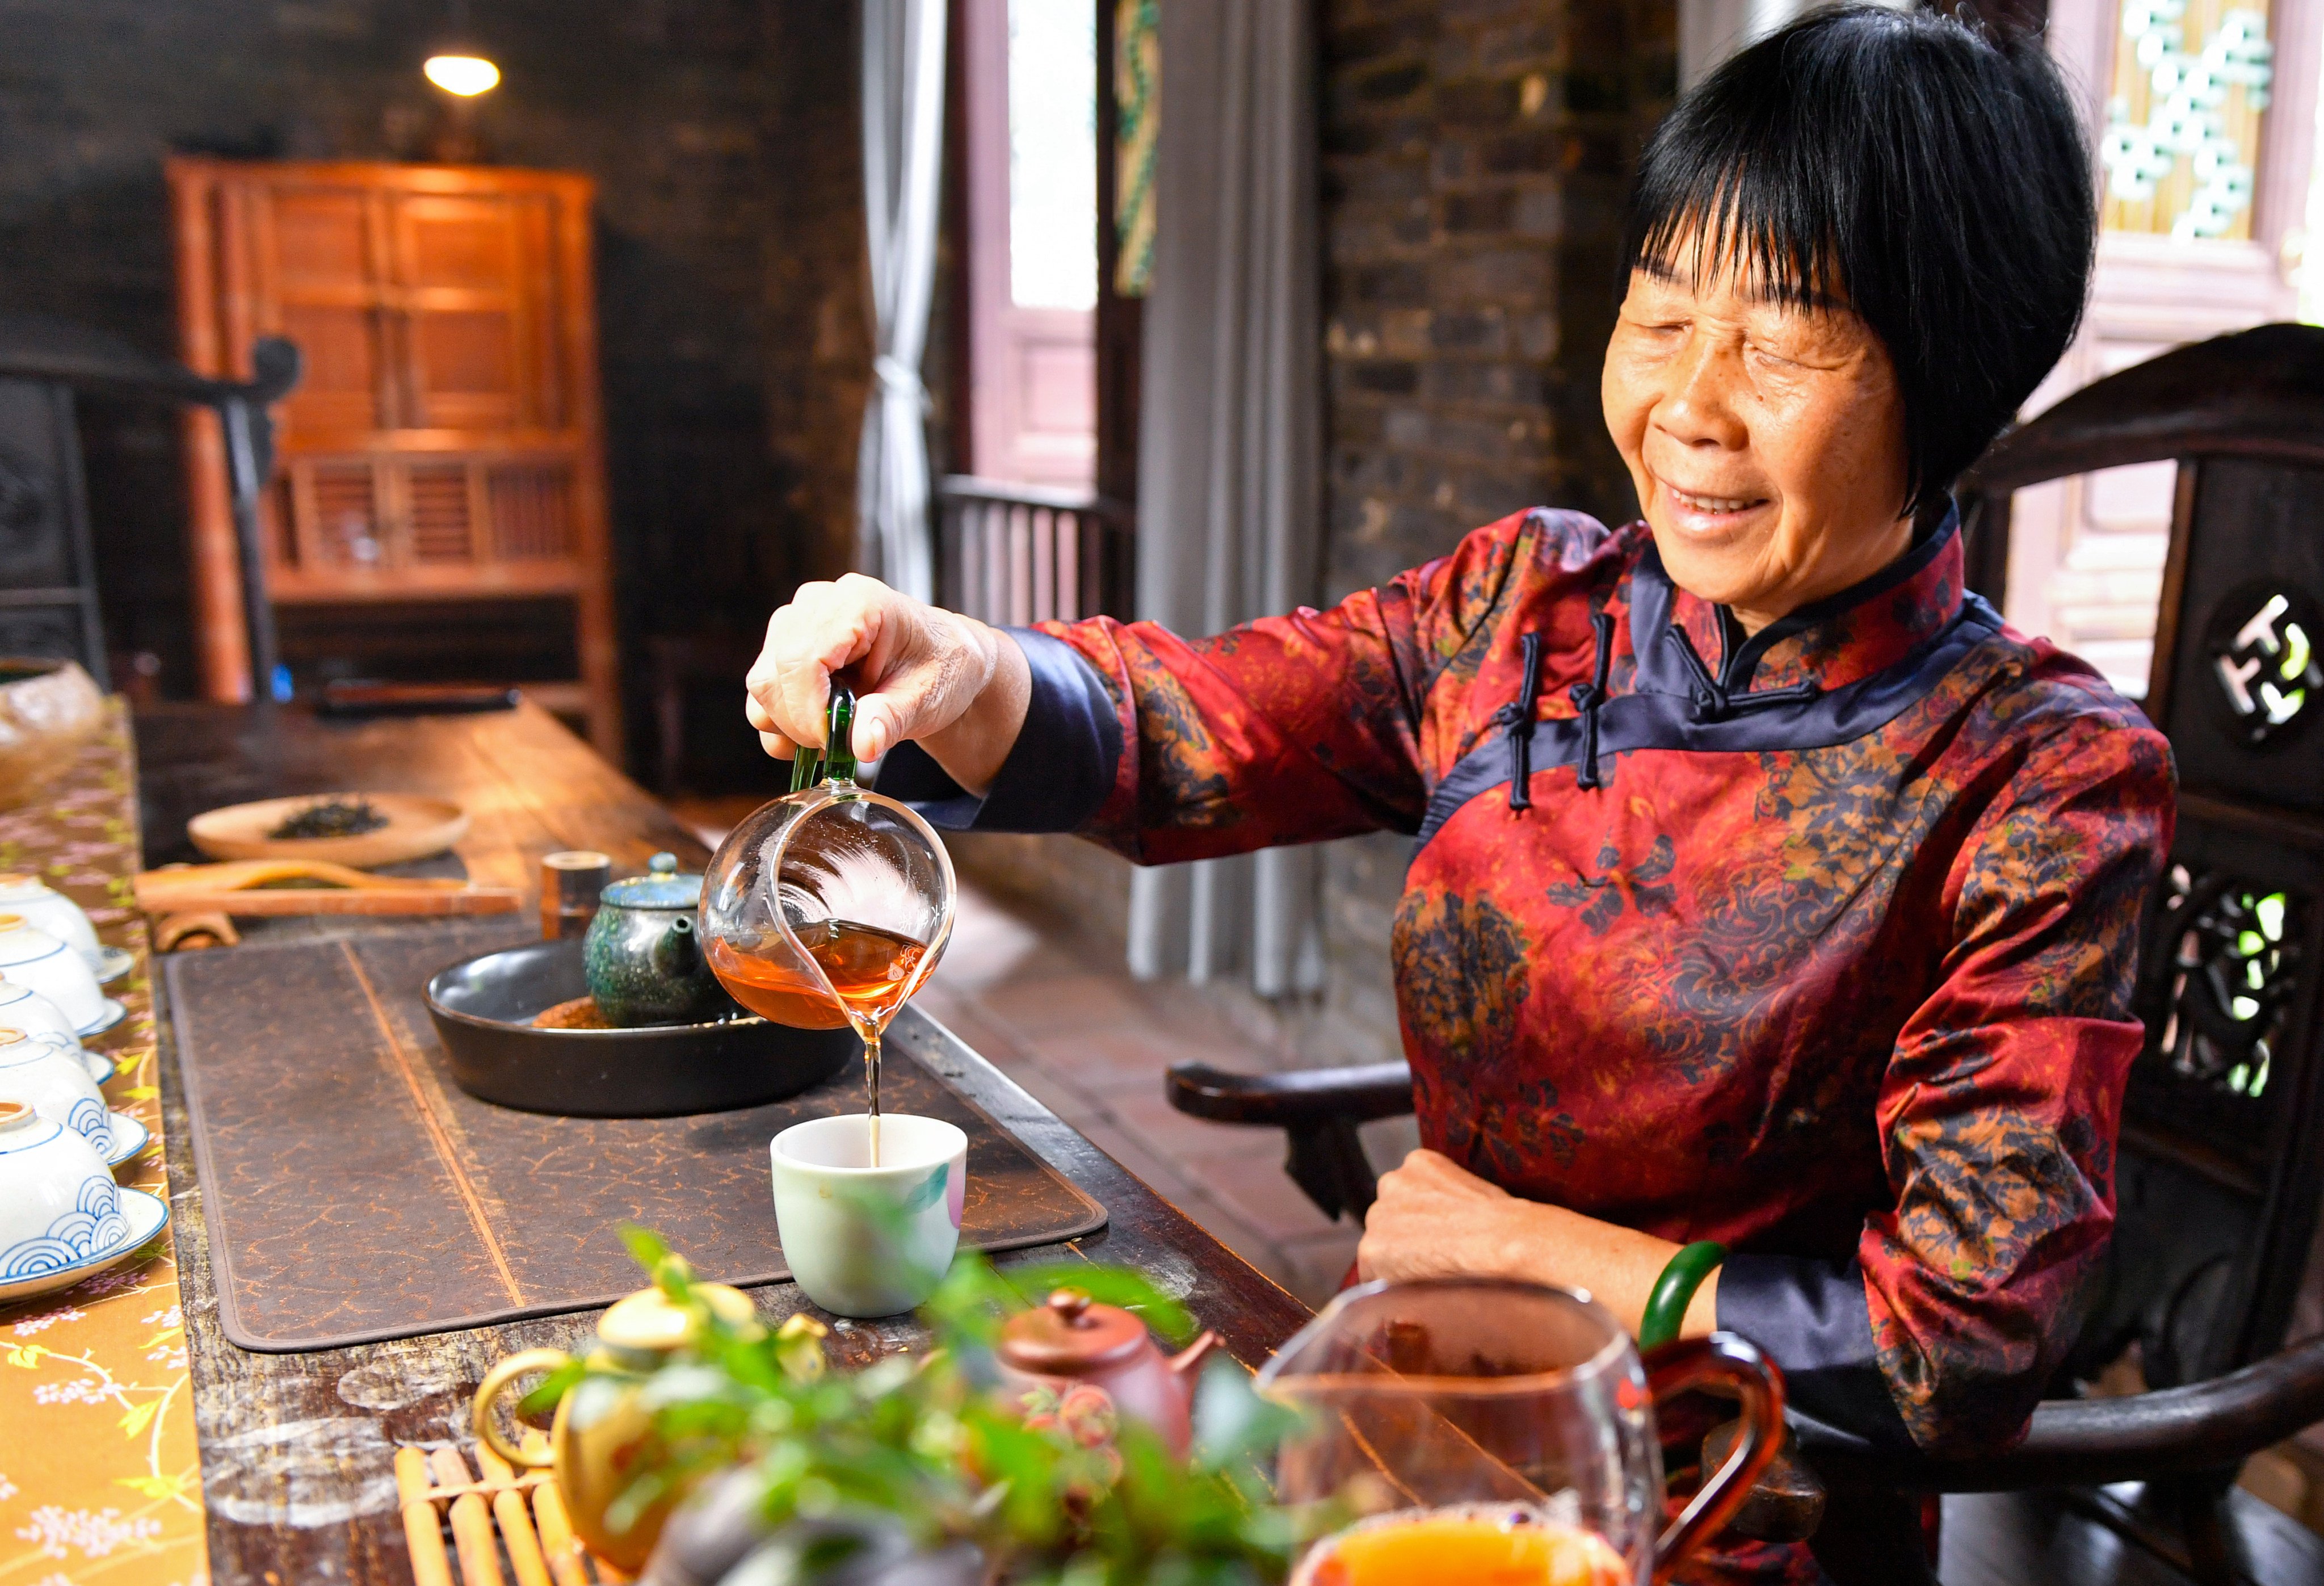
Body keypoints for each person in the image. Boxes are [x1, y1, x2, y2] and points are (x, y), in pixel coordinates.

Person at [747, 0, 2171, 1520]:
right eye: (1665, 311)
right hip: (1415, 1432)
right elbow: (1187, 731)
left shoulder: (2037, 776)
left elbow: (1959, 1348)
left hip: (1737, 1510)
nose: (1690, 404)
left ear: (1951, 370)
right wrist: (959, 664)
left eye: (1785, 333)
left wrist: (1545, 1256)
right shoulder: (1524, 612)